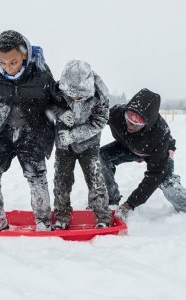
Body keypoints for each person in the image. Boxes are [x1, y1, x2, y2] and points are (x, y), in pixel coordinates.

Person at [0, 30, 68, 231]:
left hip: (32, 130)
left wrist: (64, 121)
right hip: (1, 130)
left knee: (36, 175)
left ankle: (43, 220)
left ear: (24, 54)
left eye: (13, 62)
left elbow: (55, 101)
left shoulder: (39, 71)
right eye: (2, 62)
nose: (7, 68)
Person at [100, 88, 186, 221]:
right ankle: (111, 198)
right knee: (102, 156)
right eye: (128, 120)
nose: (130, 126)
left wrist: (130, 204)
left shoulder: (160, 133)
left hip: (158, 152)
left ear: (147, 123)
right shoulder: (117, 113)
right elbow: (96, 117)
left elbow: (155, 174)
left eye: (136, 124)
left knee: (168, 184)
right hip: (130, 147)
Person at [51, 60, 112, 229]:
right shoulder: (56, 90)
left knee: (95, 178)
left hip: (89, 143)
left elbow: (99, 122)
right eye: (70, 94)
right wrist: (61, 113)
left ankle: (102, 216)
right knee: (61, 179)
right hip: (63, 143)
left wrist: (74, 135)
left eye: (79, 95)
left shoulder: (101, 96)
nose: (74, 98)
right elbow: (48, 107)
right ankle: (62, 215)